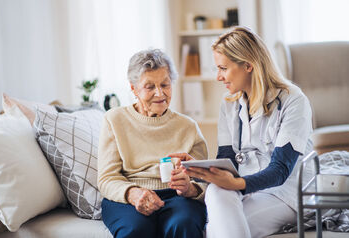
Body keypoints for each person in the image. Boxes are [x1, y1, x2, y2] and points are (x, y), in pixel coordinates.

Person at [171, 27, 314, 238]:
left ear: (248, 65)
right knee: (216, 190)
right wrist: (200, 169)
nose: (218, 77)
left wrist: (236, 184)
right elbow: (227, 160)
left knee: (215, 230)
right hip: (248, 189)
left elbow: (280, 170)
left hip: (285, 193)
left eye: (223, 68)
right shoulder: (229, 103)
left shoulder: (293, 100)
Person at [97, 49, 208, 238]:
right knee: (135, 230)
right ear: (133, 88)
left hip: (176, 196)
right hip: (129, 196)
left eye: (165, 84)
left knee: (183, 225)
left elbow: (204, 180)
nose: (160, 93)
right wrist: (133, 193)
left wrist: (190, 188)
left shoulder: (187, 126)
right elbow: (107, 179)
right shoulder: (114, 120)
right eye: (149, 87)